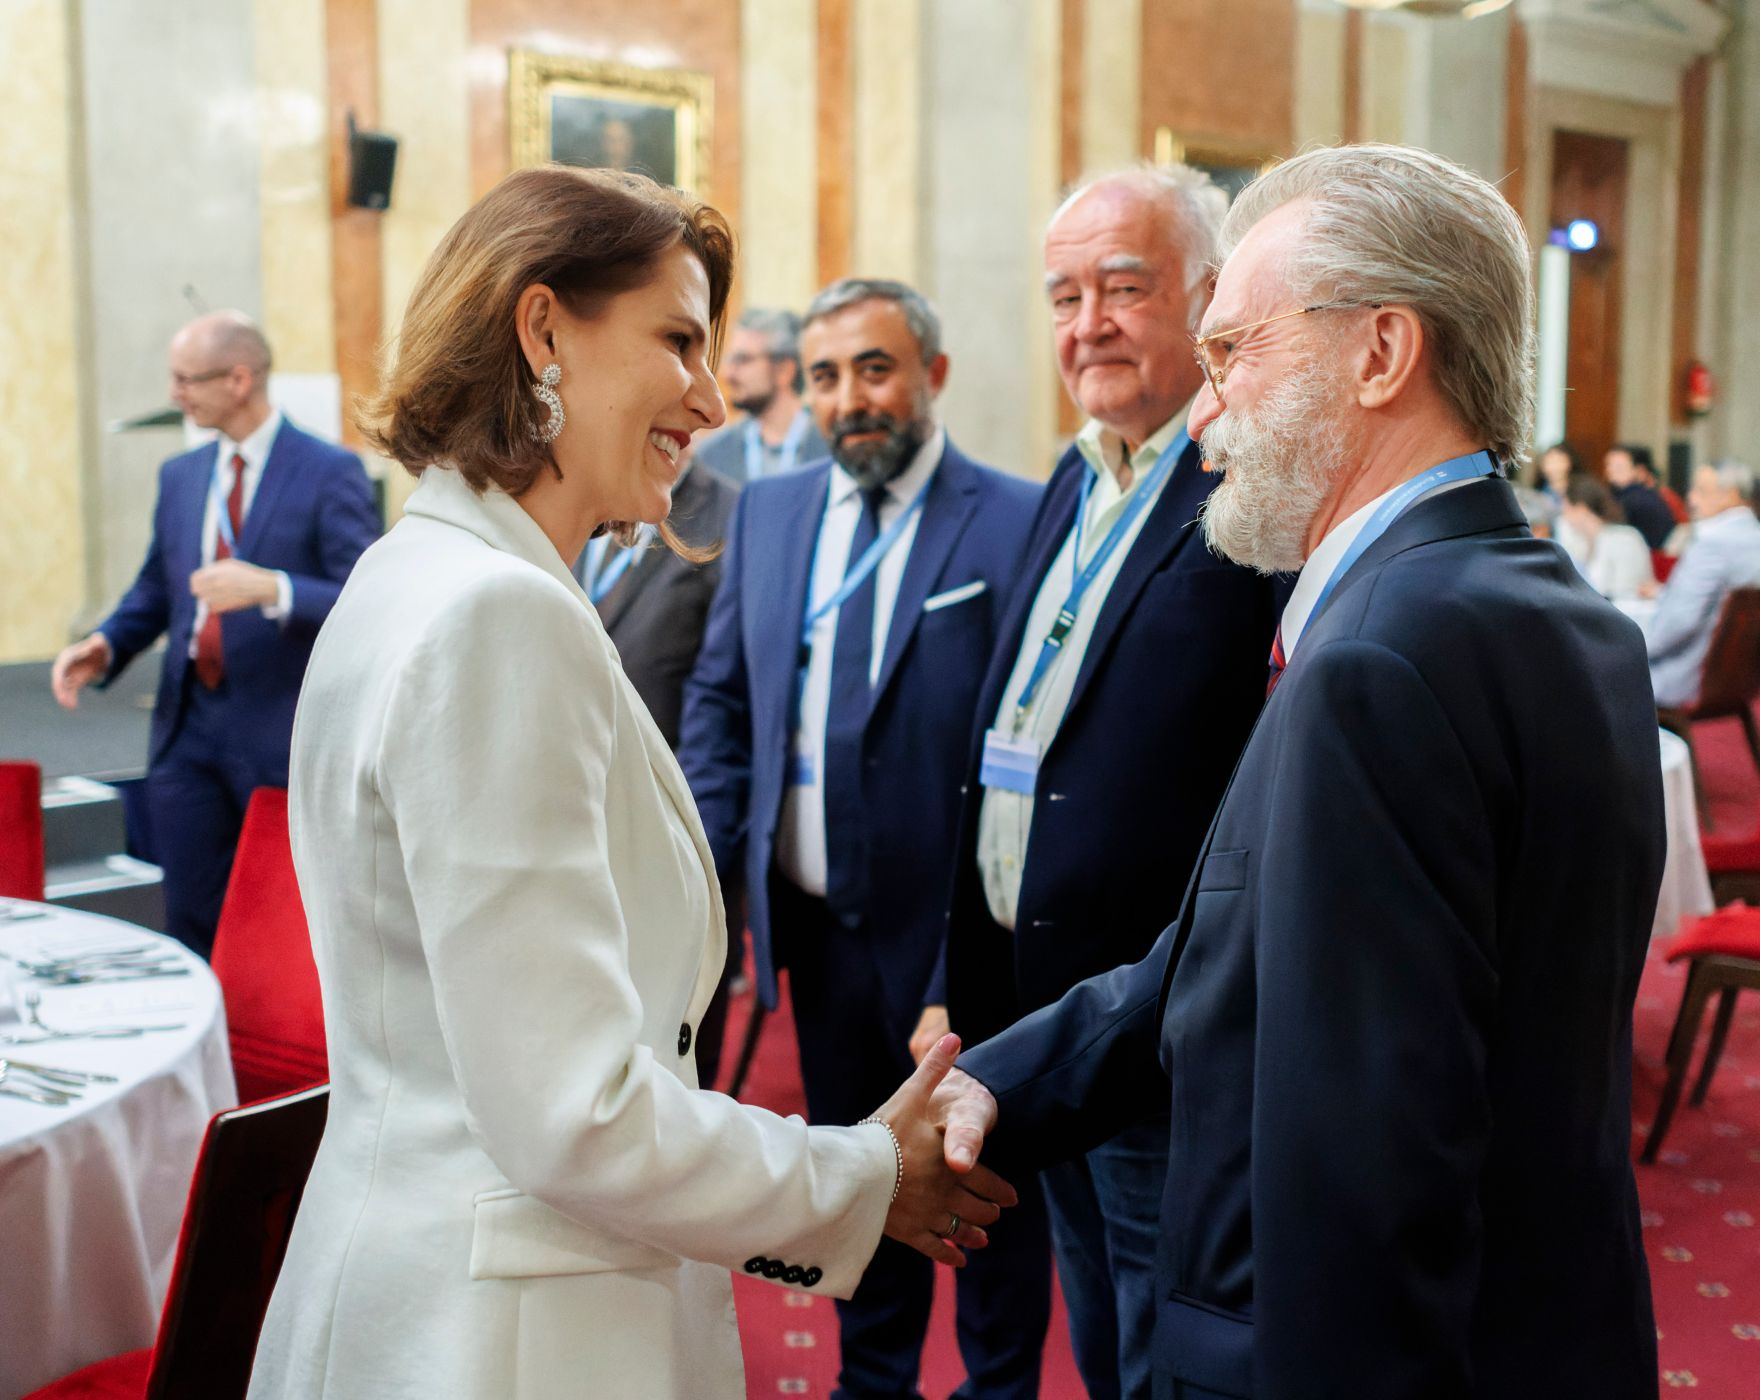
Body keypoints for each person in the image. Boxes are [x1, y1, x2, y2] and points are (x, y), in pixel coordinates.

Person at [246, 166, 1015, 1400]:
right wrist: (862, 1174)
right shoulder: (495, 612)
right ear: (542, 327)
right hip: (504, 1332)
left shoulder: (424, 565)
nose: (713, 399)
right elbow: (576, 1110)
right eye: (677, 339)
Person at [919, 144, 1665, 1399]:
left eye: (1231, 354)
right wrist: (998, 1077)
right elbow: (1230, 942)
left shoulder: (1379, 656)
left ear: (1379, 354)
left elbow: (1364, 1170)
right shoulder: (1526, 601)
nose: (1202, 412)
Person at [913, 166, 1281, 1400]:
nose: (1088, 323)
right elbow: (1001, 748)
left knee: (1155, 1327)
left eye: (1124, 287)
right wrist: (952, 988)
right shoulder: (1074, 475)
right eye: (1064, 294)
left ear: (1208, 297)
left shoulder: (1252, 492)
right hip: (1034, 1008)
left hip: (1154, 1019)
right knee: (1091, 1305)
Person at [679, 277, 1050, 1400]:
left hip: (963, 938)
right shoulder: (771, 511)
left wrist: (959, 964)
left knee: (986, 1191)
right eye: (827, 376)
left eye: (875, 369)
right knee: (862, 1175)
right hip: (818, 926)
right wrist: (710, 870)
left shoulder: (1015, 517)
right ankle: (873, 1380)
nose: (851, 400)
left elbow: (1019, 748)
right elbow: (721, 699)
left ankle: (997, 1387)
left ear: (931, 376)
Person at [49, 312, 379, 958]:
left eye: (186, 379)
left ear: (239, 378)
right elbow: (156, 586)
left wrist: (274, 588)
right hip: (186, 731)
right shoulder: (181, 476)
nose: (175, 395)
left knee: (286, 925)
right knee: (192, 912)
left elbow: (367, 597)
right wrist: (107, 644)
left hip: (278, 731)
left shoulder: (328, 471)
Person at [1647, 459, 1760, 709]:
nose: (1691, 499)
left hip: (1685, 679)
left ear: (1731, 495)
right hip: (1738, 681)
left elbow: (1678, 623)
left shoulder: (1712, 544)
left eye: (1700, 491)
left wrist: (1629, 649)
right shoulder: (1754, 537)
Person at [696, 307, 830, 483]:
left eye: (743, 360)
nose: (727, 374)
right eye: (730, 360)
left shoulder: (832, 446)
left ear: (784, 370)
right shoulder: (712, 455)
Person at [1560, 476, 1654, 599]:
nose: (1564, 519)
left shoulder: (1624, 539)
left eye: (1566, 510)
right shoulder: (1584, 543)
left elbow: (1625, 592)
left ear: (1581, 509)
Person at [1604, 443, 1677, 549]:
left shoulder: (1636, 500)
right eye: (1608, 465)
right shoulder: (1638, 495)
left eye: (1619, 467)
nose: (1610, 471)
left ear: (1639, 471)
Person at [1536, 440, 1590, 562]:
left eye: (1558, 460)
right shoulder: (1541, 491)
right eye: (1549, 460)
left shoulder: (1579, 490)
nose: (1553, 466)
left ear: (1569, 461)